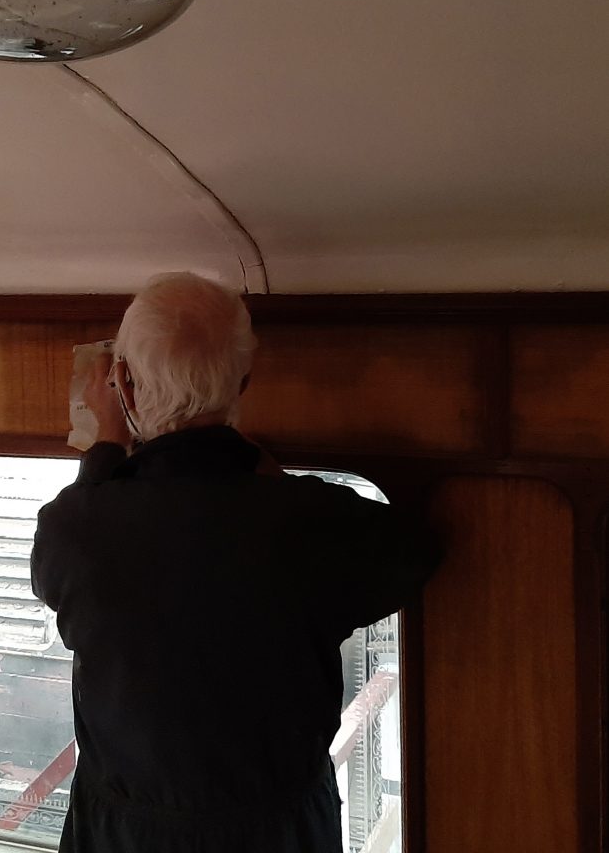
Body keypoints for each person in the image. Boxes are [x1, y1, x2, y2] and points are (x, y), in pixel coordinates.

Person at [31, 273, 440, 853]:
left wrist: (103, 449)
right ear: (244, 380)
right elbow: (414, 552)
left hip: (122, 834)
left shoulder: (77, 525)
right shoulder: (309, 520)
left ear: (122, 380)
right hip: (278, 832)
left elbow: (53, 577)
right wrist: (268, 475)